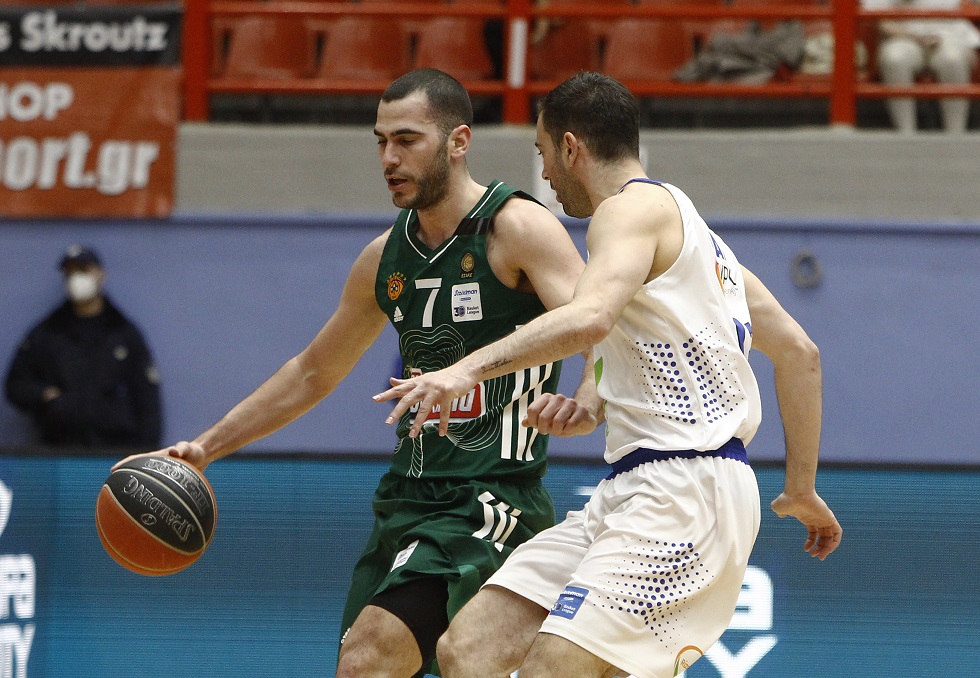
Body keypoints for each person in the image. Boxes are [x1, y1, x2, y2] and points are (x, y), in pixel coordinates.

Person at [114, 68, 586, 678]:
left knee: (370, 656)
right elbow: (313, 372)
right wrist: (206, 447)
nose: (389, 158)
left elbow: (598, 326)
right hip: (406, 499)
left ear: (459, 141)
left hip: (491, 498)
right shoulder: (384, 258)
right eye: (381, 141)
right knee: (367, 667)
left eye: (407, 140)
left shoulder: (516, 228)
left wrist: (588, 395)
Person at [375, 72, 843, 678]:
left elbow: (589, 317)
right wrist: (800, 488)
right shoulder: (700, 241)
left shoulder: (625, 211)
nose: (544, 174)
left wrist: (462, 371)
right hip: (633, 487)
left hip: (685, 493)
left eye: (543, 152)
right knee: (470, 648)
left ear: (571, 147)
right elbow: (800, 353)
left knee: (552, 671)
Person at [5, 244, 162, 450]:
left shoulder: (123, 332)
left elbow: (147, 398)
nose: (76, 278)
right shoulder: (48, 332)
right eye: (70, 273)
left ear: (101, 275)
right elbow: (16, 384)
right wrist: (45, 395)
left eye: (83, 270)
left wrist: (147, 451)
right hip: (59, 449)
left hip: (114, 448)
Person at [862, 0, 980, 132]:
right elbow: (881, 21)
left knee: (953, 60)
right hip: (903, 36)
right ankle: (905, 135)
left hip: (951, 34)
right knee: (894, 59)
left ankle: (956, 135)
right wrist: (915, 37)